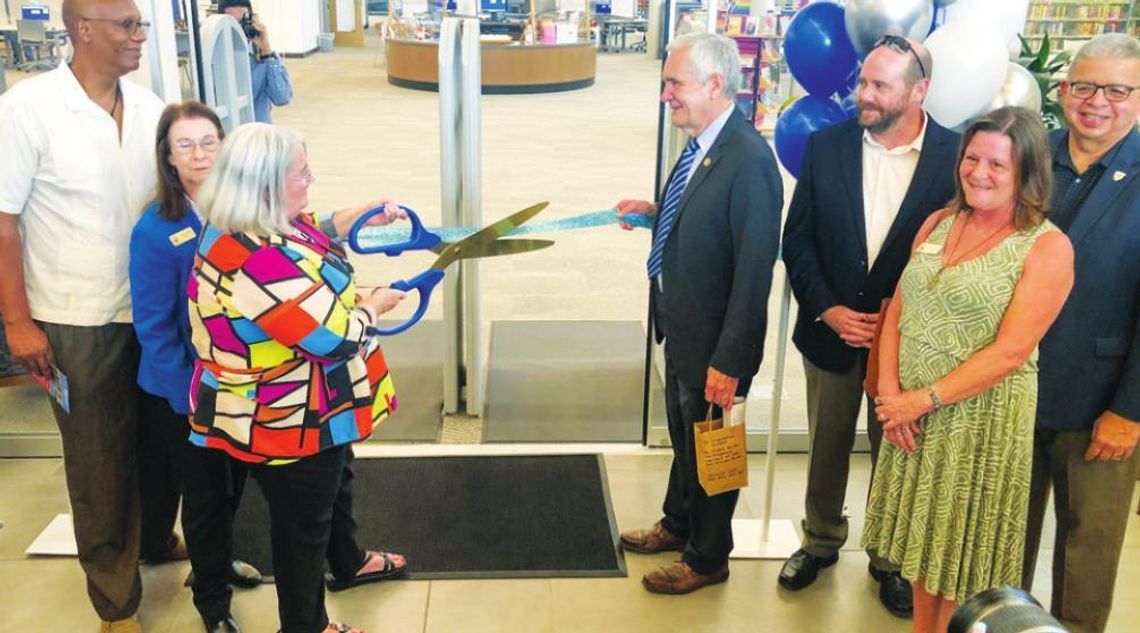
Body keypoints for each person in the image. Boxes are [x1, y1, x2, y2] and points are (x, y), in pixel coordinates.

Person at [861, 106, 1075, 633]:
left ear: (1027, 174)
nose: (979, 172)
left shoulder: (1047, 247)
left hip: (977, 427)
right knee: (920, 557)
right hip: (911, 421)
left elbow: (1010, 352)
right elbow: (900, 309)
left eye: (998, 165)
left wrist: (921, 400)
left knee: (959, 570)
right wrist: (891, 397)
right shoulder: (938, 222)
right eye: (972, 158)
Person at [189, 122, 407, 633]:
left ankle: (346, 565)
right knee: (303, 530)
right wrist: (374, 306)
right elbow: (335, 338)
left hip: (307, 411)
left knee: (330, 496)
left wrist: (348, 219)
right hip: (289, 420)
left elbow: (306, 229)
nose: (310, 181)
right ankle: (308, 625)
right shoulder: (258, 262)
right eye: (301, 175)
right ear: (265, 186)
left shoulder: (241, 224)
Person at [778, 35, 958, 617]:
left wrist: (906, 320)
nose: (864, 95)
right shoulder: (827, 146)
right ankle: (821, 541)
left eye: (880, 85)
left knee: (898, 454)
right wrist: (827, 307)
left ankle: (889, 560)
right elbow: (797, 238)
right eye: (863, 82)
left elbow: (961, 256)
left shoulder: (955, 160)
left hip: (907, 350)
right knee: (825, 444)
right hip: (830, 333)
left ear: (919, 90)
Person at [0, 2, 164, 631]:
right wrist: (17, 320)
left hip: (149, 310)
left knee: (156, 442)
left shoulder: (148, 108)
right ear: (82, 29)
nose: (138, 35)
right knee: (99, 458)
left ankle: (149, 542)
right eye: (126, 25)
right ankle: (115, 598)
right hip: (74, 315)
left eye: (140, 24)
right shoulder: (29, 108)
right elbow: (4, 221)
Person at [614, 31, 782, 595]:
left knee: (713, 452)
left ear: (715, 84)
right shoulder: (703, 146)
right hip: (683, 329)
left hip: (717, 347)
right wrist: (655, 212)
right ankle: (677, 523)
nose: (666, 95)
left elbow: (753, 272)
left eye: (674, 83)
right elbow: (703, 216)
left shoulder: (751, 161)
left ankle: (708, 559)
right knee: (686, 440)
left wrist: (730, 361)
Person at [130, 102, 265, 633]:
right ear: (166, 156)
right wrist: (190, 400)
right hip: (185, 394)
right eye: (184, 144)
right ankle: (213, 606)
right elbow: (155, 330)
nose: (200, 154)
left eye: (209, 141)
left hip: (241, 381)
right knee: (205, 498)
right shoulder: (156, 230)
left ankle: (217, 561)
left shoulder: (241, 209)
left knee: (233, 486)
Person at [1021, 33, 1140, 633]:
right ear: (1063, 90)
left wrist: (1131, 411)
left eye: (1118, 90)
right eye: (1085, 86)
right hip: (1010, 391)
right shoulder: (1030, 156)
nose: (1098, 102)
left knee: (1086, 554)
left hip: (1101, 403)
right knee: (1000, 542)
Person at [217, 0, 293, 123]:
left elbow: (282, 98)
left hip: (258, 132)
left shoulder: (264, 56)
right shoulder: (215, 59)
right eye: (233, 24)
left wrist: (267, 51)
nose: (240, 29)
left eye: (243, 23)